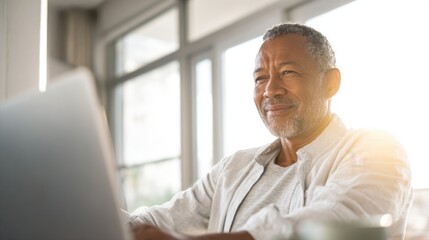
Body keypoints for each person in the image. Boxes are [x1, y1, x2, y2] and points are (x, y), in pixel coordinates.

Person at [129, 22, 413, 240]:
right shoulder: (233, 169)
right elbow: (158, 221)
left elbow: (331, 222)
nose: (270, 90)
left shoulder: (377, 149)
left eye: (288, 72)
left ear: (330, 84)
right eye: (260, 78)